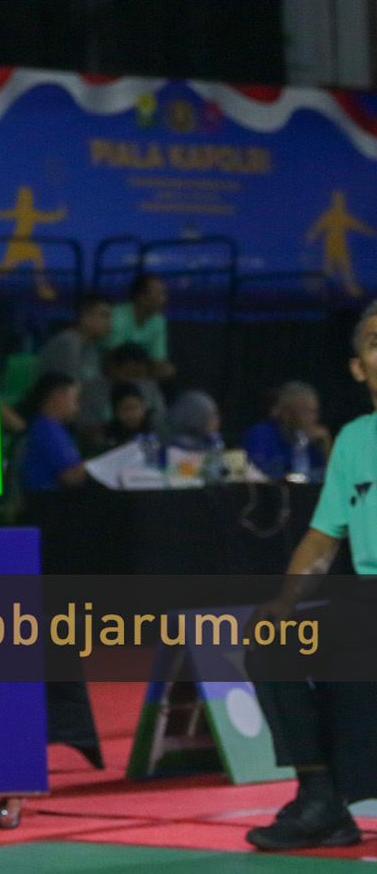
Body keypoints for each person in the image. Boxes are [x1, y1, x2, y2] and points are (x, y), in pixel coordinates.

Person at [244, 305, 377, 850]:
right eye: (376, 343)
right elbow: (323, 538)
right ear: (358, 368)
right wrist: (286, 600)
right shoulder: (353, 440)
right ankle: (321, 799)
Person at [39, 294, 113, 442]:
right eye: (104, 316)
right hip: (60, 424)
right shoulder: (68, 343)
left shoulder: (92, 348)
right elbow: (65, 391)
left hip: (88, 424)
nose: (109, 323)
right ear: (85, 316)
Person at [246, 381, 332, 482]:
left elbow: (331, 475)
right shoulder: (262, 435)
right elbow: (261, 471)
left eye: (314, 412)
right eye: (305, 412)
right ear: (287, 413)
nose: (312, 418)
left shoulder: (315, 442)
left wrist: (326, 446)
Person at [16, 373, 88, 492]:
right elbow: (71, 477)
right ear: (57, 398)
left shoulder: (54, 428)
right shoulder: (46, 430)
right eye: (74, 399)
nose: (76, 407)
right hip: (47, 500)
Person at [107, 272, 176, 382]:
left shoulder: (159, 322)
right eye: (159, 293)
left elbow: (157, 359)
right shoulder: (117, 317)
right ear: (141, 297)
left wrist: (163, 369)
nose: (164, 299)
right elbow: (111, 359)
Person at [102, 342, 166, 436]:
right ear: (114, 368)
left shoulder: (148, 386)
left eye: (137, 375)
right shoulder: (98, 390)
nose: (132, 380)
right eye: (129, 373)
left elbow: (160, 414)